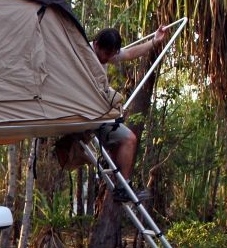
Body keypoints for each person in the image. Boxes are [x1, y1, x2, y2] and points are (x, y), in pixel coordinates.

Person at [55, 23, 170, 200]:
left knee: (126, 140)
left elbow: (130, 53)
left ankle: (122, 184)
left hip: (97, 113)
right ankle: (123, 185)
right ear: (96, 45)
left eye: (112, 55)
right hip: (83, 112)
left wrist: (154, 41)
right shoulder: (82, 54)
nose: (109, 59)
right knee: (129, 139)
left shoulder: (106, 55)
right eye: (107, 54)